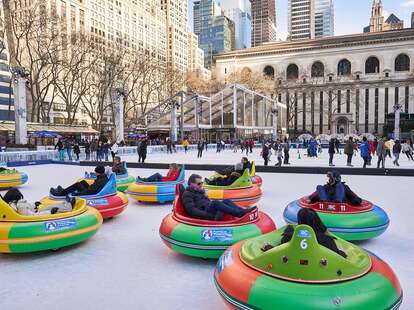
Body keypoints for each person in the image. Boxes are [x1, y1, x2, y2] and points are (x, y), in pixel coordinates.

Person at [261, 208, 347, 258]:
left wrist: (268, 247)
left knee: (289, 228)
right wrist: (342, 252)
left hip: (293, 264)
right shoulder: (326, 240)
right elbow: (338, 255)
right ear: (317, 220)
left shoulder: (290, 236)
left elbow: (279, 250)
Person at [182, 174, 256, 221]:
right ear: (191, 184)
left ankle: (241, 211)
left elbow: (206, 202)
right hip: (205, 213)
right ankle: (239, 213)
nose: (201, 185)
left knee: (226, 201)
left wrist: (205, 196)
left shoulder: (200, 191)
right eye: (199, 183)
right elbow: (192, 210)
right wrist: (207, 215)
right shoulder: (187, 194)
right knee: (215, 202)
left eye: (201, 183)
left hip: (208, 209)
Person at [3, 188, 75, 216]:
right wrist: (50, 212)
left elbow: (27, 208)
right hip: (36, 215)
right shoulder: (19, 205)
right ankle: (69, 207)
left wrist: (35, 205)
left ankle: (66, 204)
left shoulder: (16, 204)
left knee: (49, 206)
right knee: (51, 208)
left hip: (35, 211)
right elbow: (32, 216)